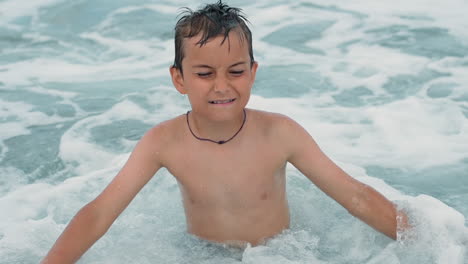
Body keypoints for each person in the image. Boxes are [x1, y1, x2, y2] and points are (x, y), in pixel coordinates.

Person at [42, 1, 408, 263]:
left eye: (235, 71)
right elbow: (101, 212)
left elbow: (356, 198)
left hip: (277, 253)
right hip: (201, 255)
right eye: (204, 74)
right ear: (179, 79)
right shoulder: (163, 142)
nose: (221, 86)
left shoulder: (280, 133)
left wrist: (432, 244)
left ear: (252, 71)